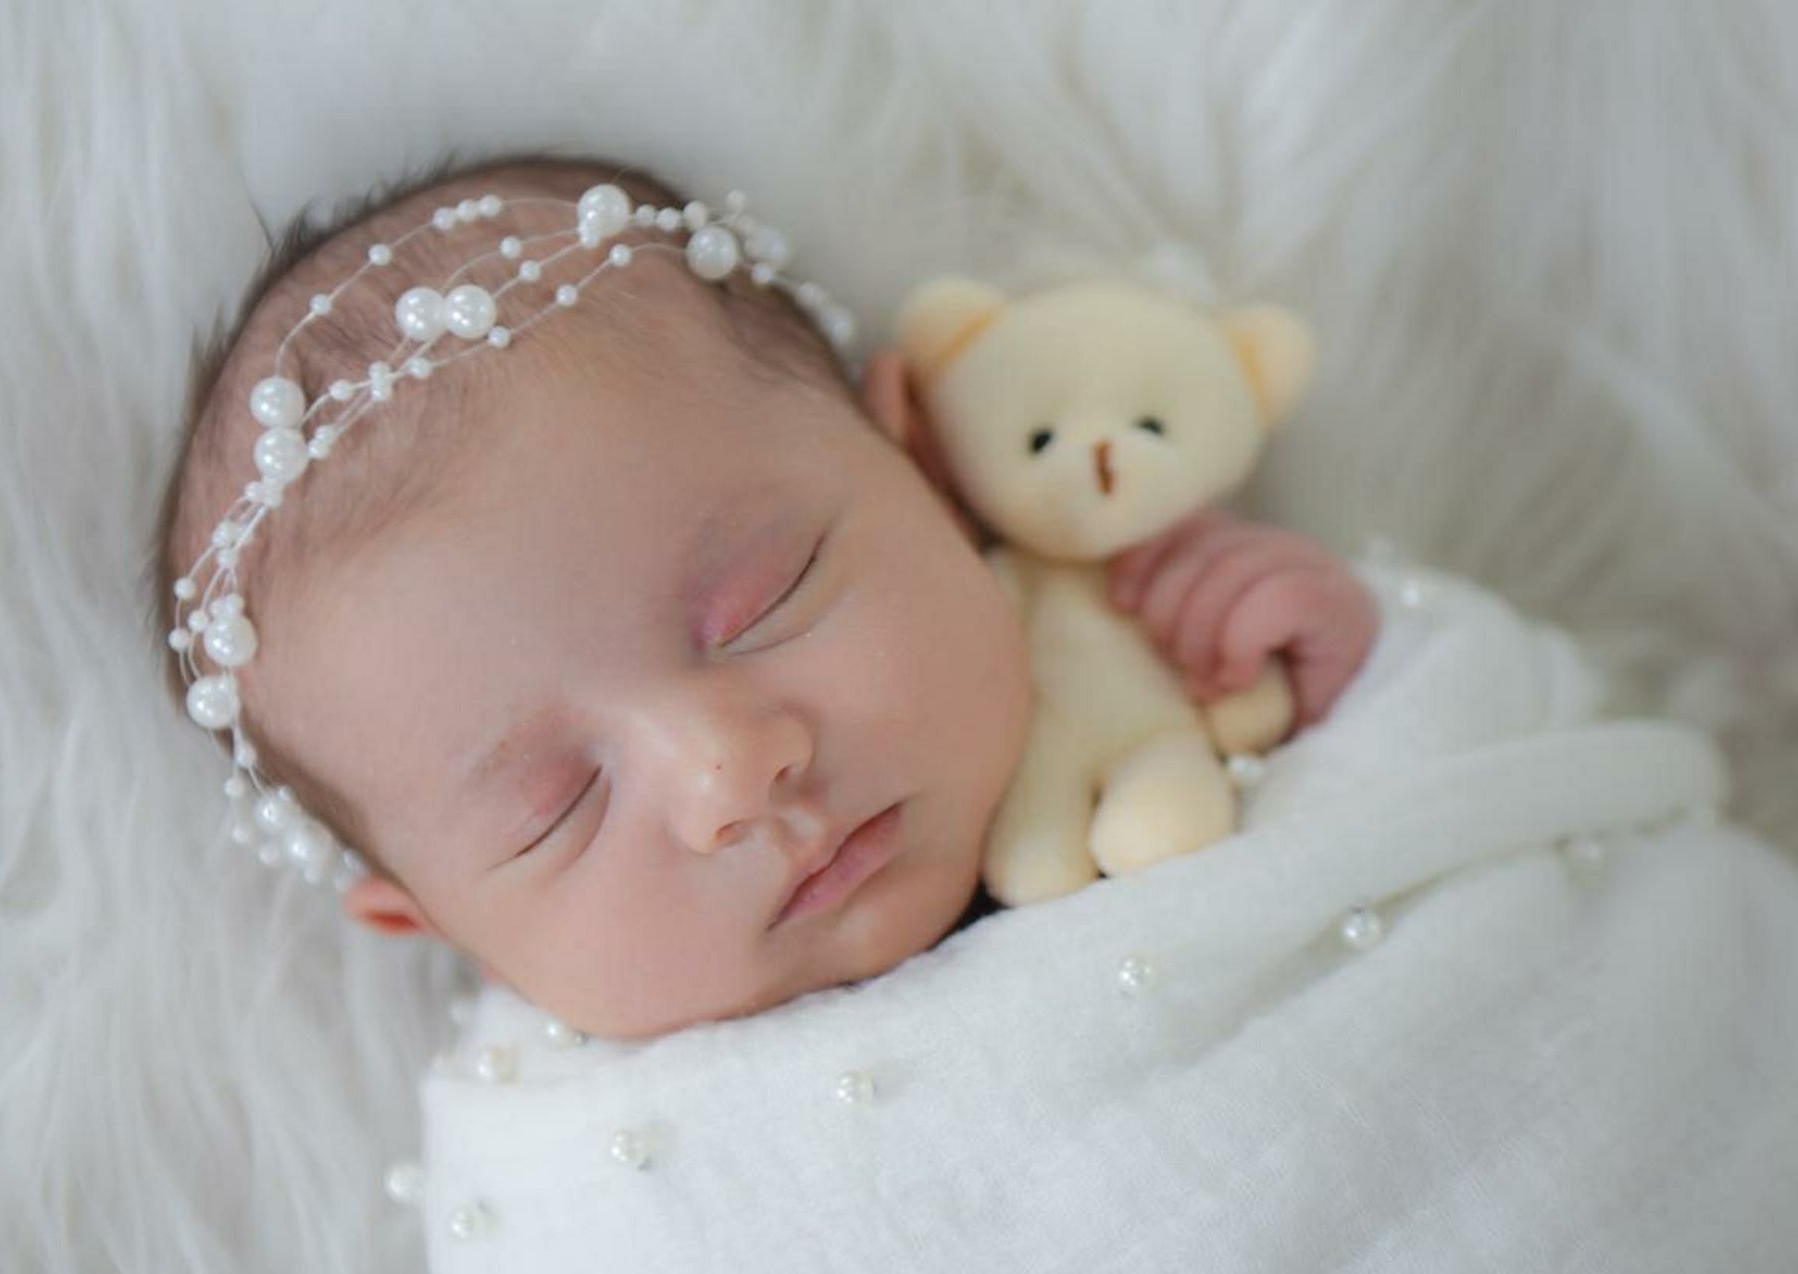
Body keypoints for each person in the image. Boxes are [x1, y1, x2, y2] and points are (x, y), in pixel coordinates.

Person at [154, 153, 1377, 1041]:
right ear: (445, 931)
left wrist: (1330, 681)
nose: (732, 773)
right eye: (555, 808)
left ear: (926, 470)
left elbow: (1452, 795)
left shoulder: (1145, 652)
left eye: (764, 600)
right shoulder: (587, 1167)